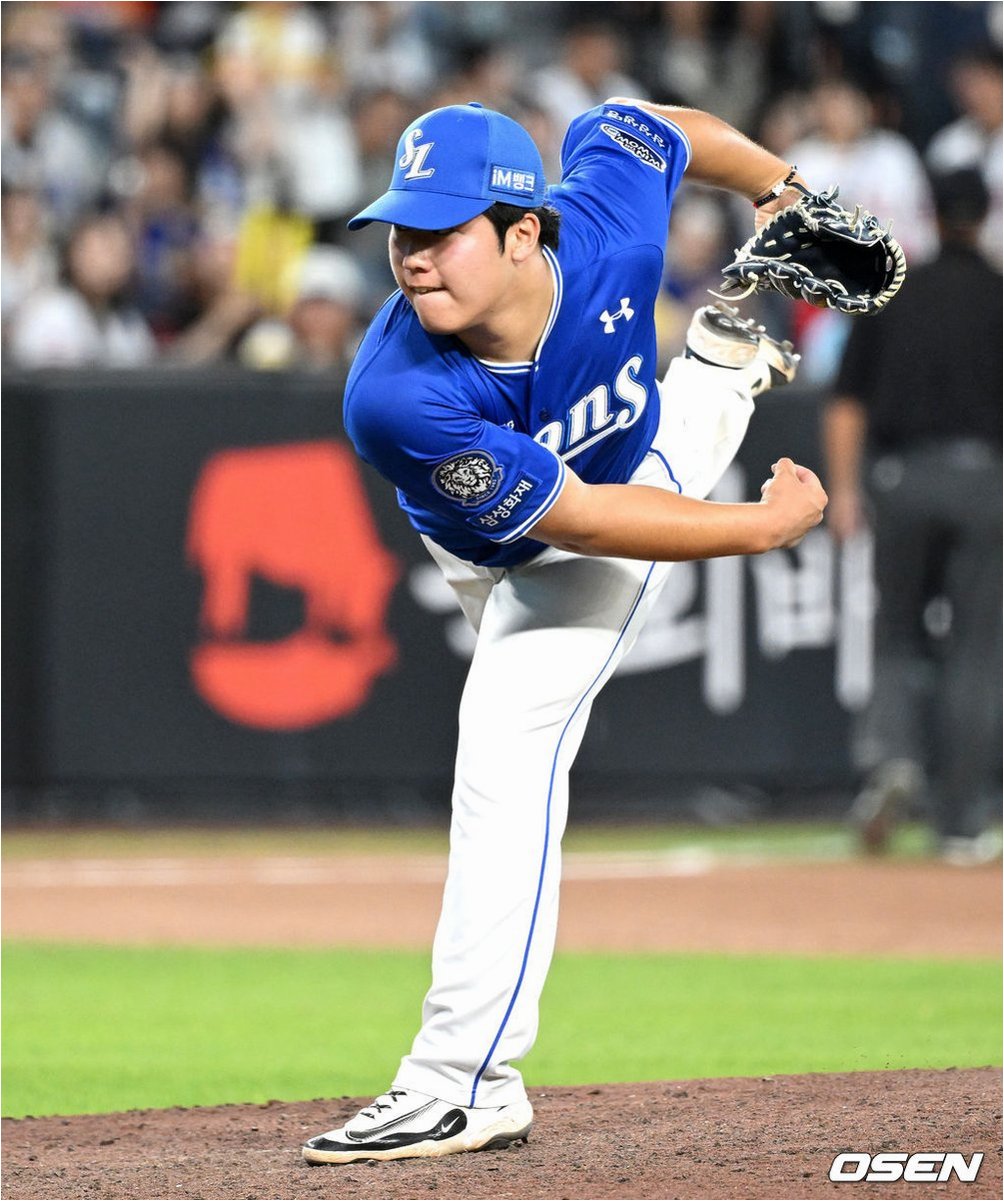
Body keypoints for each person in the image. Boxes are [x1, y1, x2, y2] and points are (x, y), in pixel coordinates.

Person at [302, 97, 827, 1166]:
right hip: (506, 539)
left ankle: (459, 1084)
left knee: (505, 749)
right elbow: (572, 516)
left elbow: (652, 127)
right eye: (400, 230)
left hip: (613, 499)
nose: (412, 257)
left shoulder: (607, 222)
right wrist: (760, 526)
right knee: (613, 503)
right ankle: (722, 363)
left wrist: (778, 186)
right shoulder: (394, 392)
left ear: (523, 231)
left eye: (441, 230)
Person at [822, 168, 1002, 865]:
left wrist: (844, 491)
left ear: (930, 214)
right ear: (984, 215)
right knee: (977, 652)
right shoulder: (999, 295)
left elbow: (846, 401)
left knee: (897, 633)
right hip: (985, 481)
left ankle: (894, 757)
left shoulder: (892, 293)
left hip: (902, 478)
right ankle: (960, 823)